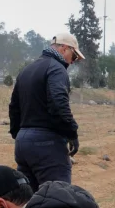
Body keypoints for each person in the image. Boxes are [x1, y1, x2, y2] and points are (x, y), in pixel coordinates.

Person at [9, 32, 82, 191]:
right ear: (64, 49)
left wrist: (19, 135)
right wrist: (72, 133)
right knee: (57, 196)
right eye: (74, 56)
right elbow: (58, 104)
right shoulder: (57, 69)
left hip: (23, 143)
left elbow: (14, 107)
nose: (73, 61)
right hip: (47, 143)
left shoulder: (27, 70)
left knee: (28, 198)